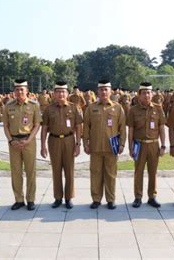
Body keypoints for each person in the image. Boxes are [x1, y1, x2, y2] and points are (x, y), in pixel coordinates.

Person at [83, 80, 126, 210]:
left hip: (111, 148)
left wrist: (122, 144)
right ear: (98, 92)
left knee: (111, 174)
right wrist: (86, 143)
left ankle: (110, 199)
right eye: (101, 89)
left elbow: (122, 127)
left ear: (110, 91)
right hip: (95, 147)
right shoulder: (91, 108)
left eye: (106, 89)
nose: (103, 92)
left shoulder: (117, 108)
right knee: (95, 173)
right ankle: (96, 199)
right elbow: (86, 127)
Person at [41, 81, 83, 209]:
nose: (60, 94)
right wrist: (43, 145)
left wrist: (78, 144)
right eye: (58, 92)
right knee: (56, 170)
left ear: (67, 93)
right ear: (54, 94)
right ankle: (58, 197)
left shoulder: (73, 107)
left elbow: (78, 126)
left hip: (69, 140)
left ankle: (68, 197)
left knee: (69, 170)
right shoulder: (49, 109)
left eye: (63, 92)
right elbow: (44, 128)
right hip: (54, 141)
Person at [2, 79, 42, 211]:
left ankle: (31, 199)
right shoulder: (8, 106)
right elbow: (6, 126)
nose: (19, 92)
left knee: (31, 171)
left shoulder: (34, 105)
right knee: (16, 172)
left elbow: (37, 125)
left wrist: (29, 140)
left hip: (28, 141)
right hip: (13, 142)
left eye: (22, 89)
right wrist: (10, 141)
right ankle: (19, 199)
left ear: (27, 91)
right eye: (17, 89)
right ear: (14, 91)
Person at [127, 82, 166, 208]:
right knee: (138, 172)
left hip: (154, 145)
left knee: (153, 172)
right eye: (143, 93)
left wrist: (163, 145)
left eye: (148, 93)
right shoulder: (133, 110)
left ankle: (152, 196)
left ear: (152, 94)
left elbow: (161, 128)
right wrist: (130, 147)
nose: (146, 95)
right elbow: (131, 130)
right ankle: (138, 197)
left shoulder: (158, 108)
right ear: (138, 95)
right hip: (139, 144)